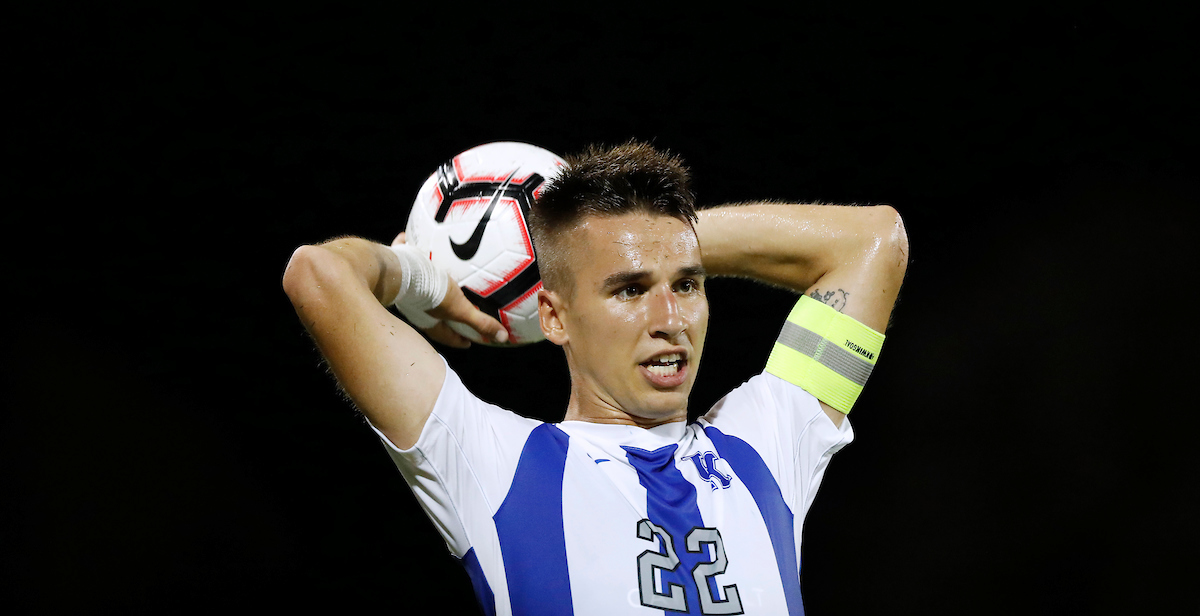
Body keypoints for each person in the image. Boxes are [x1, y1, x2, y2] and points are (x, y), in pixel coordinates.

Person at [282, 140, 908, 615]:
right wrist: (417, 274)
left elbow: (873, 240)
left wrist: (646, 243)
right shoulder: (492, 464)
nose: (671, 319)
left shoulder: (769, 444)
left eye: (687, 284)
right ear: (553, 316)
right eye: (629, 289)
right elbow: (317, 275)